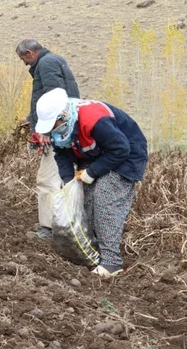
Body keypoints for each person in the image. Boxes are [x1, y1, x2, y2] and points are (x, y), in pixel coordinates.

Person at [35, 88, 147, 278]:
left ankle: (112, 263)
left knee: (105, 199)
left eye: (54, 124)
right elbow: (61, 154)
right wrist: (69, 183)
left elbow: (121, 149)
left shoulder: (93, 120)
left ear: (63, 115)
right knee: (84, 200)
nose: (51, 130)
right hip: (96, 153)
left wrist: (92, 172)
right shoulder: (60, 130)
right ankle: (93, 253)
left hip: (126, 154)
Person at [16, 39, 80, 240]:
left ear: (29, 53)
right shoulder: (54, 60)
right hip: (62, 129)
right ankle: (61, 223)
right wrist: (31, 118)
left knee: (47, 180)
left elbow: (54, 99)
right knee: (61, 179)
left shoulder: (45, 63)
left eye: (23, 59)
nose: (25, 63)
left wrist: (44, 131)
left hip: (55, 133)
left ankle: (50, 228)